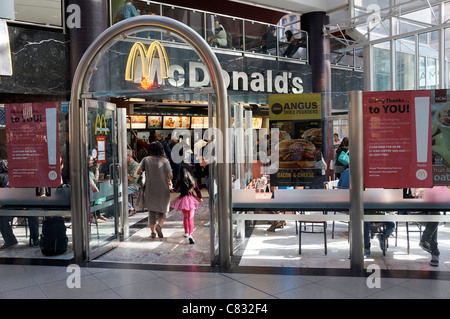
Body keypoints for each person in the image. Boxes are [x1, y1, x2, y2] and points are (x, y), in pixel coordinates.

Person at [136, 141, 173, 239]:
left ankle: (152, 232)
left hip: (150, 189)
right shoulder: (165, 161)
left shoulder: (145, 160)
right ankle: (159, 226)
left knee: (151, 212)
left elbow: (137, 171)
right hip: (163, 189)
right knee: (164, 210)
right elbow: (170, 176)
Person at [171, 163, 203, 244]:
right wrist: (200, 197)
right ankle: (191, 235)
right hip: (191, 200)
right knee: (191, 218)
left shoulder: (179, 180)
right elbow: (198, 190)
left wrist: (171, 187)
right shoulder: (193, 180)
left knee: (185, 217)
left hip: (182, 200)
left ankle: (186, 232)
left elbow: (175, 190)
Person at [126, 149, 140, 216]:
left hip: (133, 186)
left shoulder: (135, 165)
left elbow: (131, 179)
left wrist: (122, 171)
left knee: (121, 193)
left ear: (129, 156)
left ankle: (131, 208)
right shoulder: (125, 164)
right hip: (125, 184)